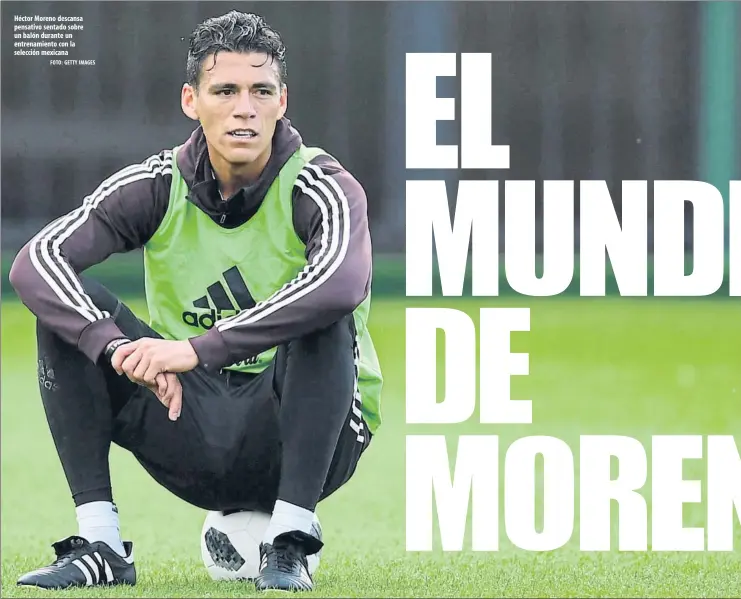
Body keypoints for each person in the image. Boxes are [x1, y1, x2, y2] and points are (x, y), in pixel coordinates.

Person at [9, 10, 382, 593]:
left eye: (261, 91)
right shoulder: (156, 185)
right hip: (188, 422)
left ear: (282, 101)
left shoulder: (323, 186)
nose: (244, 108)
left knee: (322, 318)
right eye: (225, 91)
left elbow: (340, 284)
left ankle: (289, 543)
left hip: (310, 436)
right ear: (192, 100)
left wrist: (196, 349)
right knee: (69, 312)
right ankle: (101, 545)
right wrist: (117, 351)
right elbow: (36, 261)